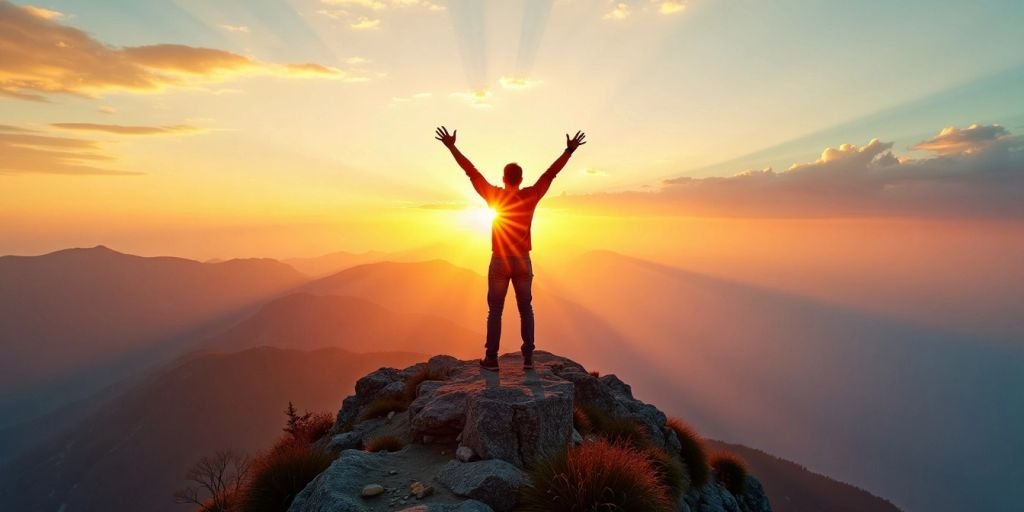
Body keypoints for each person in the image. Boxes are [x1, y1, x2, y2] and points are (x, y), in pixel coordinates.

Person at [435, 126, 587, 371]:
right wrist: (569, 150)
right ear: (521, 179)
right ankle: (528, 358)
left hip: (500, 261)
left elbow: (470, 172)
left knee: (495, 310)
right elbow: (550, 174)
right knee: (525, 307)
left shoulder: (494, 196)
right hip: (522, 261)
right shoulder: (531, 195)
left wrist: (451, 146)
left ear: (504, 179)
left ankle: (492, 358)